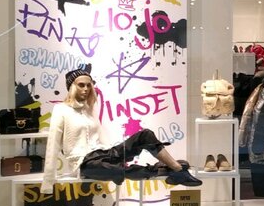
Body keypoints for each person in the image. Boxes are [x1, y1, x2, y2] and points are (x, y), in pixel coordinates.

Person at [40, 66, 200, 194]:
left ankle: (176, 169)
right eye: (81, 85)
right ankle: (164, 170)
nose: (86, 89)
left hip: (103, 154)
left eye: (89, 85)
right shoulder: (61, 109)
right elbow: (53, 144)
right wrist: (48, 182)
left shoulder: (89, 110)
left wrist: (115, 153)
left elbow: (100, 139)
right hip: (84, 164)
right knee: (117, 169)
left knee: (145, 135)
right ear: (71, 87)